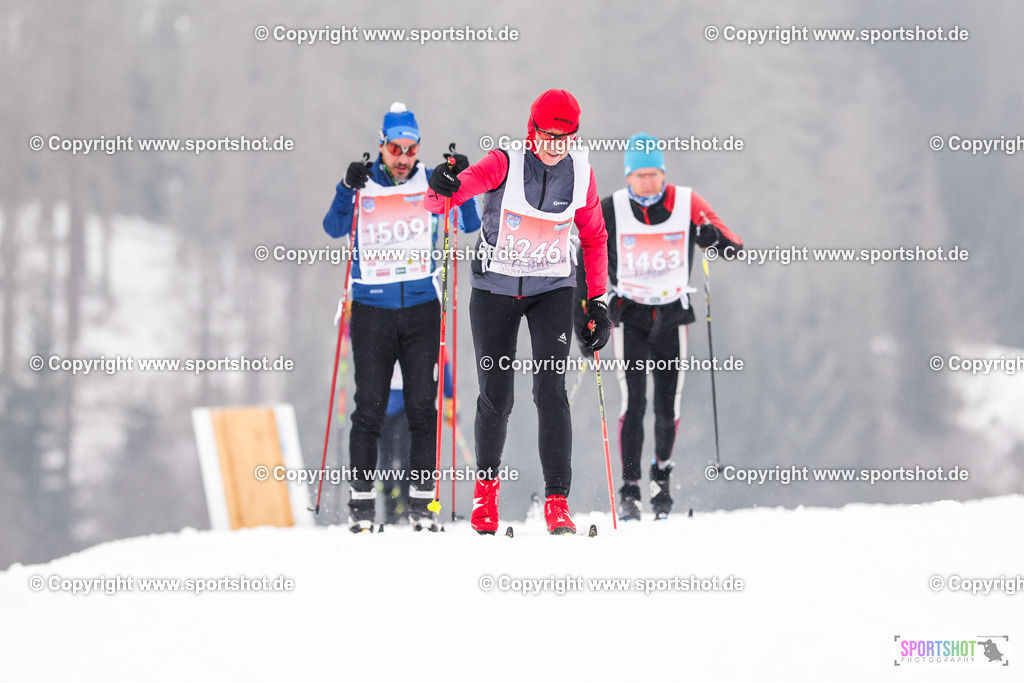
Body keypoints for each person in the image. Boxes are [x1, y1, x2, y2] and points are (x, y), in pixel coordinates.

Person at [425, 89, 611, 535]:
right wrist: (441, 185)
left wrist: (598, 302)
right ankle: (486, 497)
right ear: (533, 132)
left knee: (551, 391)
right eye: (547, 136)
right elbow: (442, 204)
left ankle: (557, 502)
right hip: (495, 288)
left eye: (564, 138)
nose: (555, 146)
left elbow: (595, 238)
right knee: (497, 393)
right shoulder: (502, 163)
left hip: (553, 288)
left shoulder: (582, 174)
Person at [323, 103, 480, 532]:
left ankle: (422, 505)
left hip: (421, 309)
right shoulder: (362, 183)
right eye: (395, 148)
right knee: (368, 407)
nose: (402, 156)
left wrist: (462, 183)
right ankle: (359, 505)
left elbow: (468, 223)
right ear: (382, 146)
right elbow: (334, 228)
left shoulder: (432, 181)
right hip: (372, 309)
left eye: (410, 149)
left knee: (421, 409)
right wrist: (343, 187)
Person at [574, 133, 743, 520]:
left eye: (655, 175)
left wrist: (712, 239)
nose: (648, 183)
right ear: (628, 177)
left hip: (671, 317)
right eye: (640, 175)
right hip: (629, 316)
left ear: (664, 173)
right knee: (634, 404)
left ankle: (660, 481)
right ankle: (630, 490)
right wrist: (583, 314)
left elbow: (733, 244)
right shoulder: (612, 208)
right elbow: (583, 258)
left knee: (667, 408)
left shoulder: (686, 202)